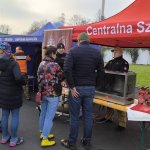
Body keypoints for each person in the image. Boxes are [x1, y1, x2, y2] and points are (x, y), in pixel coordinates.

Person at [61, 32, 104, 150]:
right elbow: (101, 72)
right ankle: (87, 141)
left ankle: (72, 143)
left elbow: (67, 69)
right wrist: (96, 86)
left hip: (77, 89)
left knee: (74, 117)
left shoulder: (73, 51)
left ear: (79, 41)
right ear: (88, 41)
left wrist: (72, 86)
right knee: (88, 116)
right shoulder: (97, 53)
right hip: (90, 88)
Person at [37, 46, 64, 147]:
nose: (56, 55)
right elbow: (62, 76)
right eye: (55, 53)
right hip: (53, 94)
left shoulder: (41, 63)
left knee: (43, 113)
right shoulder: (55, 65)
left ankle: (43, 132)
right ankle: (45, 139)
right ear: (52, 53)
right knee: (49, 117)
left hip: (42, 93)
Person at [97, 47, 129, 130]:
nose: (114, 53)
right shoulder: (110, 62)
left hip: (118, 87)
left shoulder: (124, 63)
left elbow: (123, 75)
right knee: (109, 102)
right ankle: (109, 118)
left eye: (116, 51)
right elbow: (104, 70)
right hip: (109, 86)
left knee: (119, 105)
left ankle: (122, 124)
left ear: (121, 53)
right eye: (113, 51)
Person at [0, 42, 25, 147]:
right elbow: (19, 78)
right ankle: (14, 139)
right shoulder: (13, 63)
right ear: (9, 51)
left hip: (2, 94)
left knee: (4, 115)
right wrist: (24, 82)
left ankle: (5, 137)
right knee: (15, 116)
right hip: (14, 94)